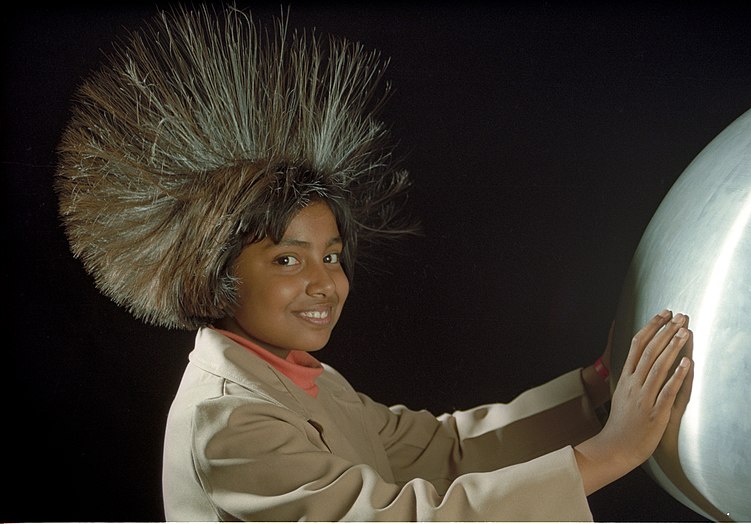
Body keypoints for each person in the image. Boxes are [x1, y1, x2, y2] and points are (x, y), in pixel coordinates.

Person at [55, 6, 693, 521]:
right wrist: (611, 454)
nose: (324, 282)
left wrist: (596, 387)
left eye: (331, 256)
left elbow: (447, 452)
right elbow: (401, 518)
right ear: (217, 273)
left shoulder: (302, 378)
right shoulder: (227, 421)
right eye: (286, 259)